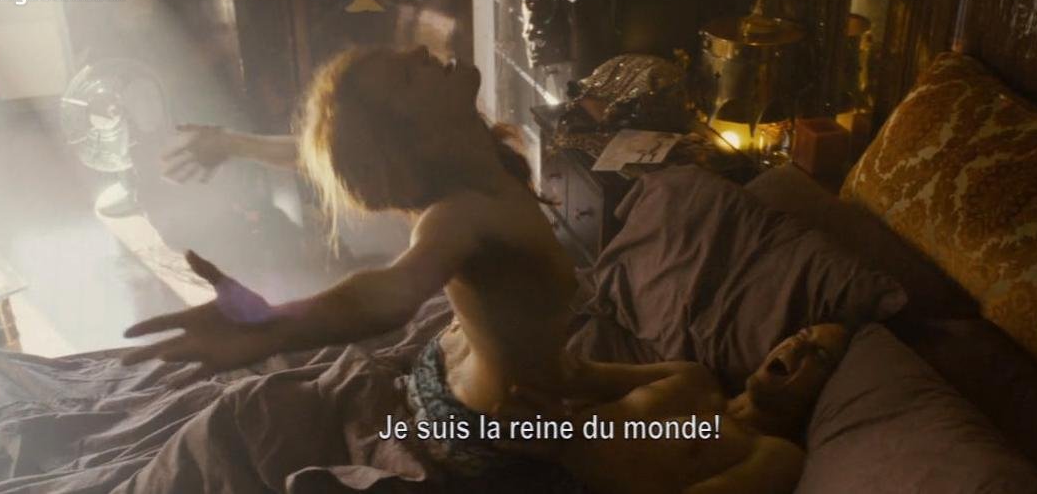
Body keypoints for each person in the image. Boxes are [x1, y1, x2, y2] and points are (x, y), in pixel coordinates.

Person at [122, 46, 582, 476]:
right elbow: (395, 291)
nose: (420, 50)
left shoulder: (471, 170)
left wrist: (230, 144)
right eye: (405, 76)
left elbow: (334, 157)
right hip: (483, 429)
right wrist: (273, 327)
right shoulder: (460, 215)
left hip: (446, 377)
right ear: (418, 136)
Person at [499, 324, 851, 494]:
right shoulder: (691, 376)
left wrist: (568, 449)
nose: (796, 347)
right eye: (801, 335)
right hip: (520, 457)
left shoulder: (777, 454)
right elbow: (580, 375)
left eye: (819, 355)